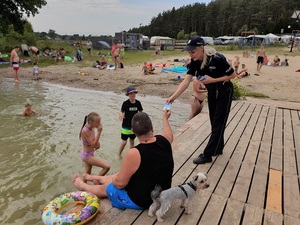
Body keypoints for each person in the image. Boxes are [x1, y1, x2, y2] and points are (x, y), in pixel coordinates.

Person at [72, 111, 174, 210]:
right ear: (152, 128)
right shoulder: (165, 139)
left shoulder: (134, 152)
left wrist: (115, 179)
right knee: (123, 174)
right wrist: (165, 118)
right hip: (163, 194)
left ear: (133, 132)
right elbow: (168, 132)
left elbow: (119, 184)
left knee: (108, 187)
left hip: (145, 201)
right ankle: (97, 178)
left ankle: (82, 185)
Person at [167, 36, 236, 164]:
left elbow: (233, 75)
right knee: (213, 121)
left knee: (218, 122)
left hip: (224, 90)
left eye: (193, 52)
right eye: (189, 52)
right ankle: (218, 147)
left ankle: (208, 154)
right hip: (212, 91)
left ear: (201, 48)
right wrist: (173, 97)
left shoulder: (217, 59)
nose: (191, 55)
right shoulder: (194, 62)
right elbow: (186, 81)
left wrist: (212, 80)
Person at [79, 112, 110, 181]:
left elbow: (93, 141)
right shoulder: (85, 131)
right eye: (98, 122)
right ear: (90, 122)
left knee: (87, 173)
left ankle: (82, 188)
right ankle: (96, 180)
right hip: (87, 155)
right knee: (106, 167)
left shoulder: (92, 128)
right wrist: (99, 132)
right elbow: (93, 145)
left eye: (100, 122)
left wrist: (98, 143)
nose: (99, 124)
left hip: (90, 153)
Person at [118, 87, 143, 158]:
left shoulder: (138, 103)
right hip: (126, 126)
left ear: (135, 93)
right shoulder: (125, 103)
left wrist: (140, 122)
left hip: (134, 126)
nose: (132, 94)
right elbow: (121, 111)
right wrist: (121, 114)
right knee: (124, 142)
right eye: (131, 93)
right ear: (128, 94)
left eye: (134, 93)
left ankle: (130, 156)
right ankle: (119, 155)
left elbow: (141, 112)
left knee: (132, 142)